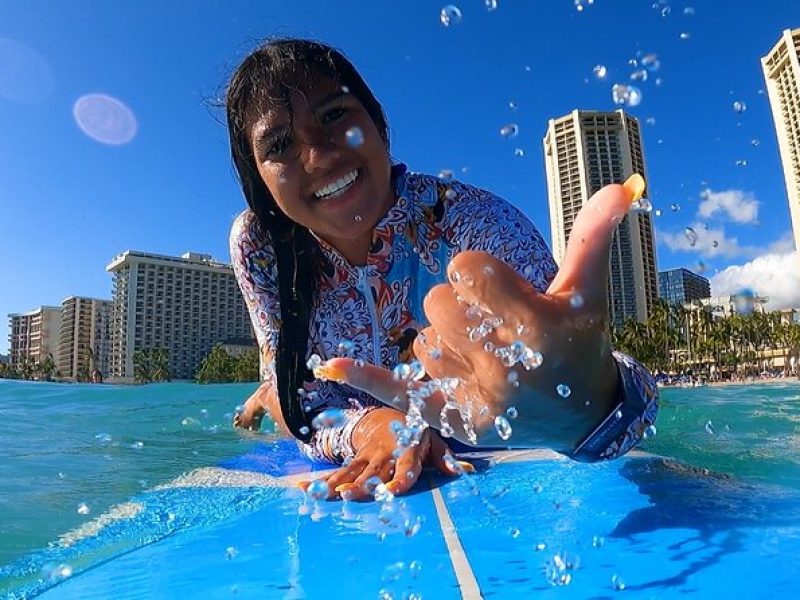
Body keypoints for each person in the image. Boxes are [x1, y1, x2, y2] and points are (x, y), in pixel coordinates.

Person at [226, 38, 658, 500]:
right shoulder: (262, 246)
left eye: (334, 115)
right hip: (333, 409)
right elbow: (297, 395)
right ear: (259, 181)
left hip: (458, 437)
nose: (319, 155)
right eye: (280, 145)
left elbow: (564, 359)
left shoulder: (475, 224)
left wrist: (589, 406)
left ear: (378, 125)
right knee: (271, 394)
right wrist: (373, 426)